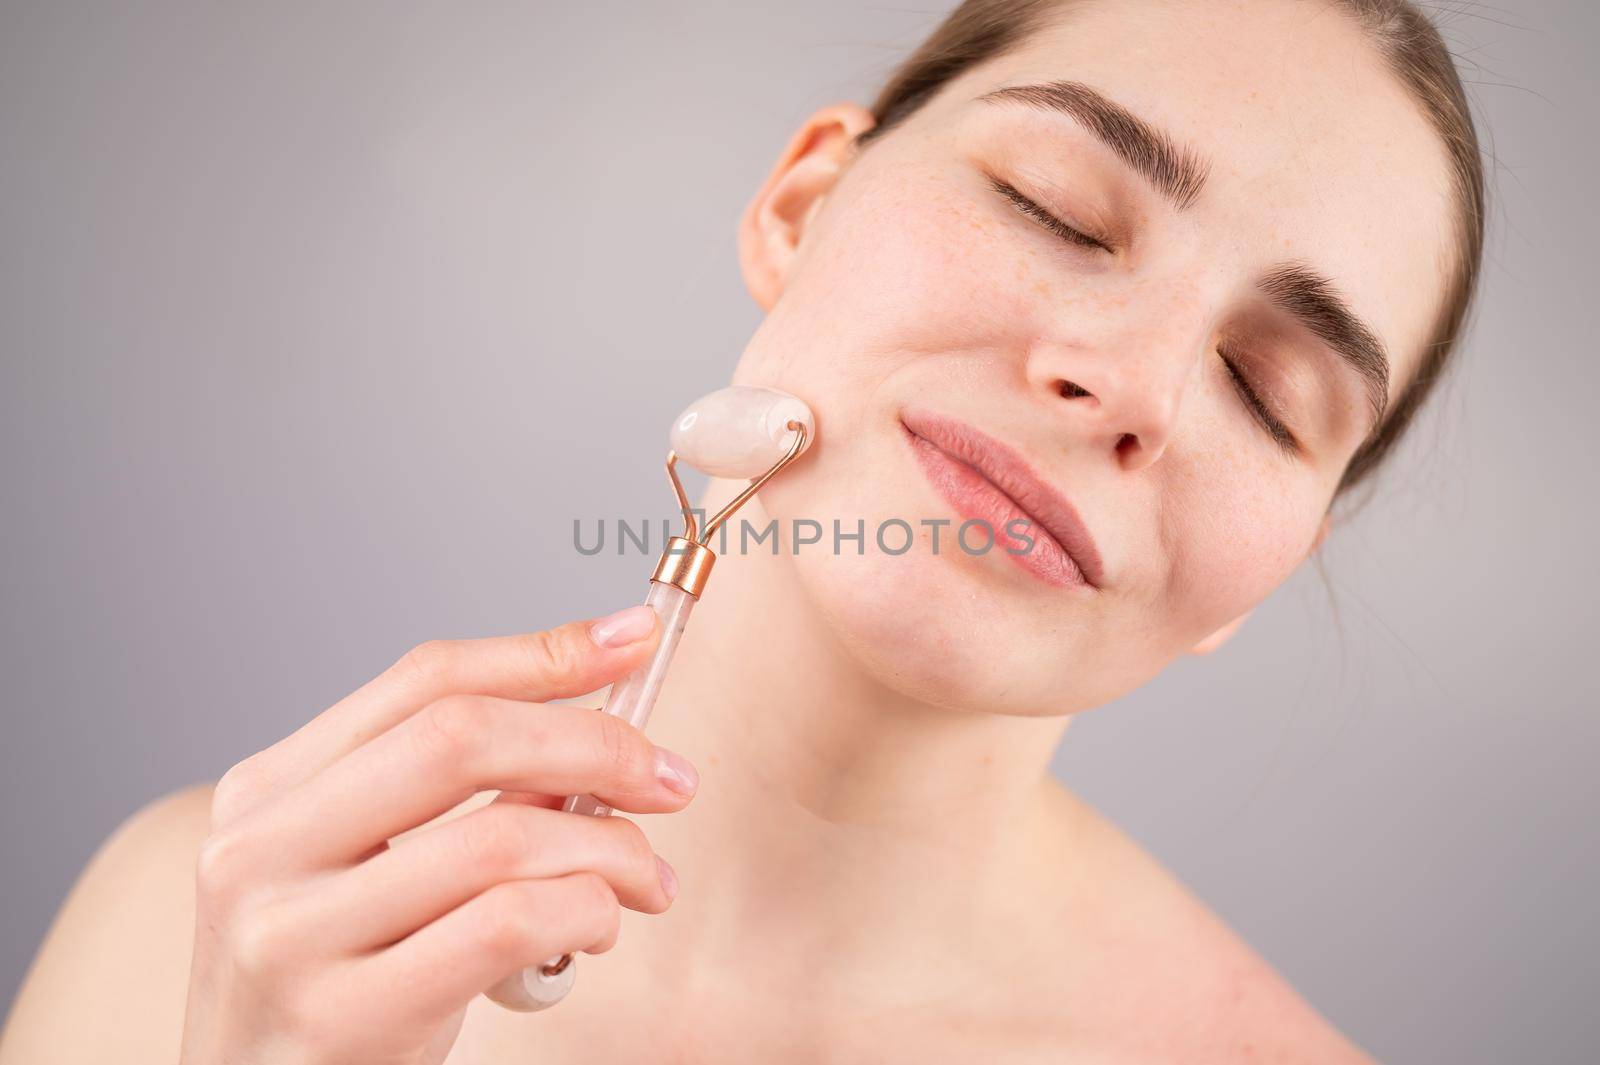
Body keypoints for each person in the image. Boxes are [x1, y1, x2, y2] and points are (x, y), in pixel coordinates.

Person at [0, 0, 1486, 1060]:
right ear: (801, 204)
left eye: (1267, 390)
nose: (1139, 388)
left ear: (1273, 566)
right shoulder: (217, 922)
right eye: (1060, 208)